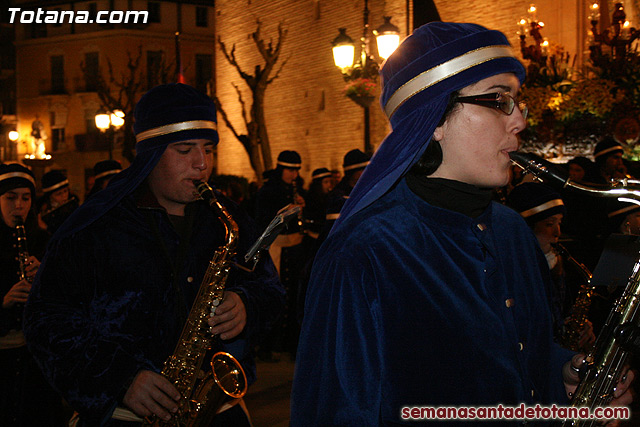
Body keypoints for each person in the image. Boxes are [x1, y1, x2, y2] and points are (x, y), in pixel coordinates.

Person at [291, 22, 633, 426]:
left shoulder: (512, 231)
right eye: (499, 99)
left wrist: (563, 373)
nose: (520, 121)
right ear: (433, 118)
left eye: (518, 102)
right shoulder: (365, 251)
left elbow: (521, 358)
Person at [23, 83, 285, 426]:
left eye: (208, 148)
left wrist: (247, 304)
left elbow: (272, 290)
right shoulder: (95, 226)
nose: (202, 163)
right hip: (126, 417)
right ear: (150, 154)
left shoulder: (227, 219)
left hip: (220, 414)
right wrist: (121, 378)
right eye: (184, 149)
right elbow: (46, 319)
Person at [0, 163, 66, 426]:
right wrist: (4, 302)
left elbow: (65, 305)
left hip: (34, 366)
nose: (19, 206)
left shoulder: (43, 241)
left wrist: (45, 279)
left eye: (26, 198)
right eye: (10, 197)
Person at [506, 182, 595, 352]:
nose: (557, 233)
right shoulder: (514, 272)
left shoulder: (555, 263)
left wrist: (577, 326)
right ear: (527, 229)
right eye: (549, 224)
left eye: (559, 223)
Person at [254, 150, 306, 360]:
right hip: (276, 248)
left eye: (296, 171)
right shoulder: (268, 191)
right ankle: (267, 345)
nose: (294, 175)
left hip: (293, 248)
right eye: (290, 170)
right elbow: (262, 220)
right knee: (274, 292)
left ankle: (289, 343)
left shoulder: (295, 189)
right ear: (281, 169)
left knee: (294, 294)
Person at [322, 149, 370, 235]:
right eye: (362, 170)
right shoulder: (338, 196)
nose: (366, 173)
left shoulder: (366, 189)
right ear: (352, 172)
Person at [37, 170, 79, 234]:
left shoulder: (73, 207)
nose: (64, 196)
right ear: (50, 197)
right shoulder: (41, 208)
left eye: (65, 191)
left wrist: (47, 228)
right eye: (59, 194)